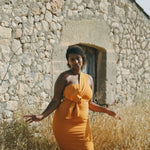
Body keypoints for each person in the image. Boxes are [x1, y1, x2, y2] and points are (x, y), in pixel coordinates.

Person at [24, 45, 121, 150]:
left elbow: (89, 103)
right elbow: (55, 101)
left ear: (82, 59)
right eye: (72, 59)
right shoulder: (64, 77)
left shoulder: (89, 79)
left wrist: (107, 111)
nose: (75, 62)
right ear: (68, 61)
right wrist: (42, 116)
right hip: (64, 123)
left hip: (83, 124)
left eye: (77, 58)